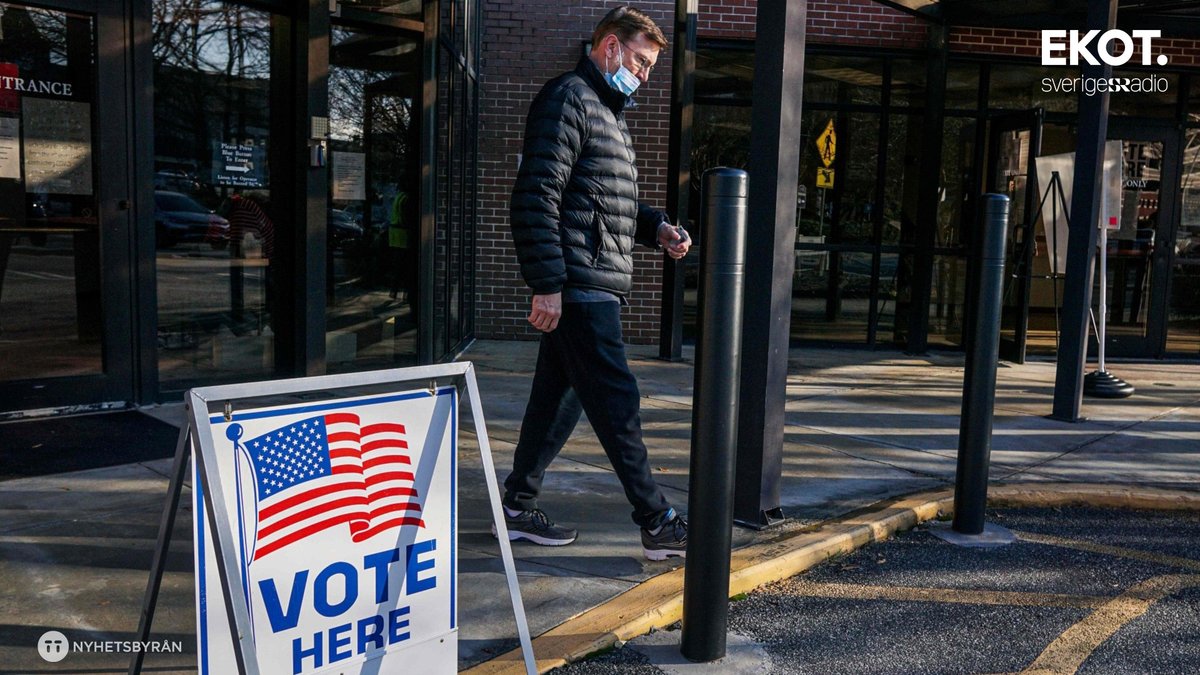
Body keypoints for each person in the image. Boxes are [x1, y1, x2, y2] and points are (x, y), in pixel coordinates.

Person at [500, 5, 692, 561]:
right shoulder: (567, 99)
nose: (645, 74)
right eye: (640, 60)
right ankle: (656, 520)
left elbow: (607, 204)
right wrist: (547, 283)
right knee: (616, 401)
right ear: (609, 47)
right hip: (579, 284)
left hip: (589, 280)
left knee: (558, 401)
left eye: (651, 66)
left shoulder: (606, 111)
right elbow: (536, 194)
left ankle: (517, 505)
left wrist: (655, 227)